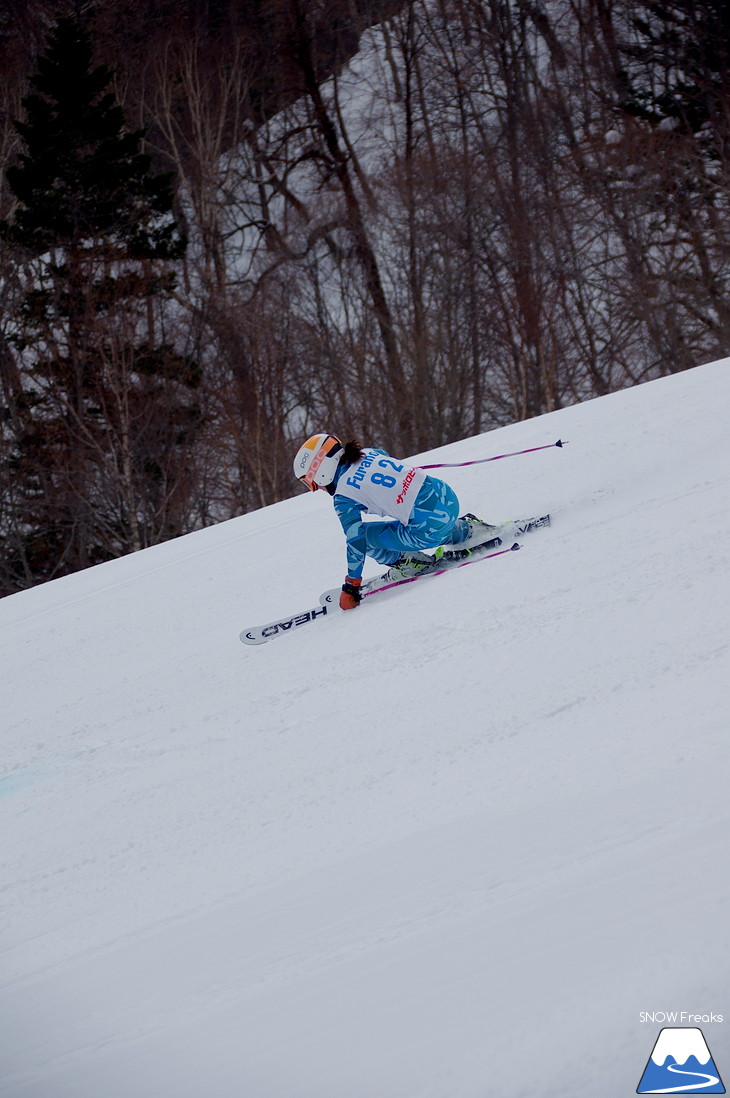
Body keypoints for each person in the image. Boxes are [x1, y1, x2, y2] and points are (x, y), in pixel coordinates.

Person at [292, 433, 492, 610]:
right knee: (420, 519)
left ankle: (411, 564)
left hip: (428, 528)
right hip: (448, 498)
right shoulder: (368, 453)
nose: (317, 488)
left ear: (322, 471)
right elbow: (383, 454)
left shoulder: (343, 498)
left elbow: (356, 541)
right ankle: (466, 530)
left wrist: (352, 586)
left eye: (312, 483)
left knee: (366, 536)